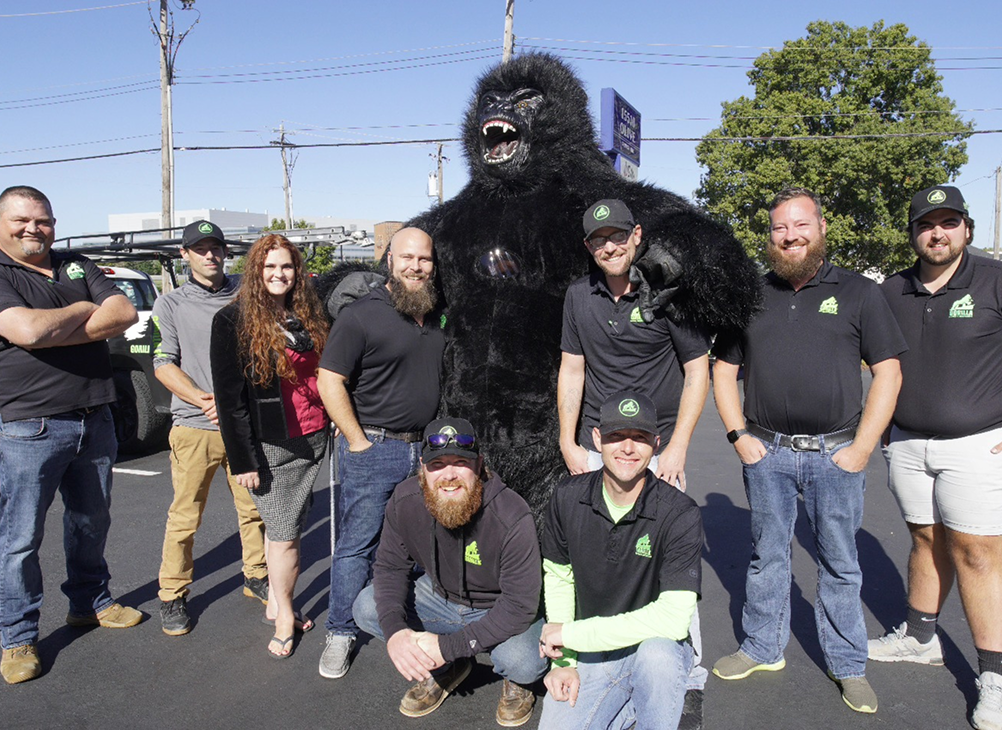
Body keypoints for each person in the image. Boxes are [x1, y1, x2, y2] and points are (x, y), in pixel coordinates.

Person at [710, 187, 907, 714]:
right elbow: (723, 371)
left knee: (841, 563)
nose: (790, 235)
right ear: (770, 235)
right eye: (780, 228)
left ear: (822, 227)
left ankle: (848, 666)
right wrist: (738, 436)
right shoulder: (748, 295)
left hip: (836, 455)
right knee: (765, 557)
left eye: (800, 225)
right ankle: (761, 646)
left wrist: (863, 447)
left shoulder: (862, 292)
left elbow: (888, 372)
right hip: (766, 454)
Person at [558, 198, 711, 724]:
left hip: (657, 449)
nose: (610, 244)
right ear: (588, 247)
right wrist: (566, 440)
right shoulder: (579, 296)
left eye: (619, 234)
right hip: (596, 446)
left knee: (674, 561)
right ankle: (594, 652)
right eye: (599, 238)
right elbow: (572, 370)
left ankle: (687, 675)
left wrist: (678, 448)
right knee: (593, 551)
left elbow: (697, 370)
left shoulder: (669, 293)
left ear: (637, 235)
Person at [870, 185, 1002, 730]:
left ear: (966, 229)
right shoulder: (893, 290)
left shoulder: (994, 280)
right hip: (906, 443)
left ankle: (993, 678)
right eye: (927, 224)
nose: (938, 233)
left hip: (977, 443)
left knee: (976, 553)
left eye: (949, 222)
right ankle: (921, 638)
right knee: (925, 539)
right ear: (914, 233)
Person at [0, 185, 141, 685]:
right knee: (19, 538)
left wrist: (61, 323)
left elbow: (123, 313)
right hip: (28, 424)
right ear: (3, 223)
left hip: (94, 416)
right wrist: (85, 311)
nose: (33, 229)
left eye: (43, 220)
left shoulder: (75, 264)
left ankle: (90, 603)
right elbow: (27, 332)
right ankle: (16, 637)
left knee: (91, 521)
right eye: (22, 221)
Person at [352, 417, 547, 726]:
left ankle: (515, 684)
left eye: (460, 462)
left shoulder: (512, 515)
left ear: (480, 465)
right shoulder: (404, 501)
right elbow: (390, 568)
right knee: (366, 607)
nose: (449, 475)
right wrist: (396, 633)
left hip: (498, 607)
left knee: (523, 662)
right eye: (438, 464)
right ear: (422, 468)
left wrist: (449, 646)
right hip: (439, 596)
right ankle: (447, 669)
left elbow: (520, 605)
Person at [317, 227, 445, 679]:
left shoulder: (434, 313)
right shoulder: (361, 315)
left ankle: (404, 620)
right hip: (376, 448)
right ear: (388, 260)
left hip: (425, 451)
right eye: (407, 257)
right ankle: (340, 631)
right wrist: (357, 441)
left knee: (415, 544)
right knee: (357, 545)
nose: (416, 266)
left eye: (424, 260)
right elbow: (329, 380)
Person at [538, 391, 703, 729]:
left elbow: (672, 621)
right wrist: (563, 663)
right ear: (598, 439)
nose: (628, 448)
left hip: (654, 651)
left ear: (656, 444)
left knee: (658, 658)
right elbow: (558, 578)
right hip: (592, 655)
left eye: (640, 438)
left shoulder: (680, 513)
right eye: (616, 436)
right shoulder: (567, 497)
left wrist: (571, 635)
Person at [210, 234, 329, 658]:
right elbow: (229, 399)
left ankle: (277, 600)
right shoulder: (232, 321)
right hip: (270, 445)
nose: (279, 275)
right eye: (270, 267)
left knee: (288, 528)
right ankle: (284, 616)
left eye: (287, 267)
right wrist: (243, 458)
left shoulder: (308, 315)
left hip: (314, 438)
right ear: (255, 272)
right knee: (284, 536)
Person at [153, 220, 268, 636]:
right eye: (199, 249)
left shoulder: (246, 292)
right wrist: (204, 399)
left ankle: (256, 575)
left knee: (254, 511)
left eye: (215, 248)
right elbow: (163, 362)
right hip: (194, 427)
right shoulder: (171, 304)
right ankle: (172, 593)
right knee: (185, 518)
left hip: (243, 427)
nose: (209, 255)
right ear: (185, 255)